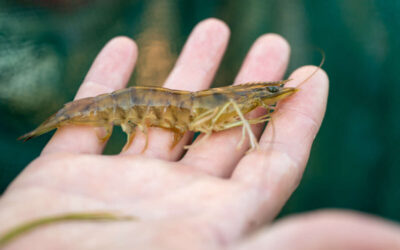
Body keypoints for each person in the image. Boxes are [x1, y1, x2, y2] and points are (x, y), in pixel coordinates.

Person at [0, 18, 399, 250]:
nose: (272, 97)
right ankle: (64, 118)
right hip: (141, 106)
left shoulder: (241, 98)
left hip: (166, 107)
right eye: (269, 94)